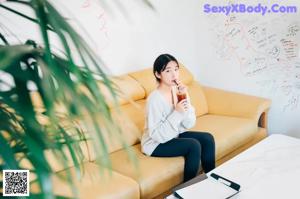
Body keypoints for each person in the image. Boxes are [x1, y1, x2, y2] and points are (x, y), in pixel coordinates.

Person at [141, 54, 215, 182]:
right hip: (155, 143)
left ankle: (211, 180)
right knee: (193, 145)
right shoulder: (154, 99)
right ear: (158, 74)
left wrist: (184, 97)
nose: (174, 74)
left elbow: (189, 124)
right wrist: (177, 113)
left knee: (207, 138)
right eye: (168, 71)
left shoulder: (178, 91)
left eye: (176, 69)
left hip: (173, 135)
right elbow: (157, 136)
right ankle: (188, 190)